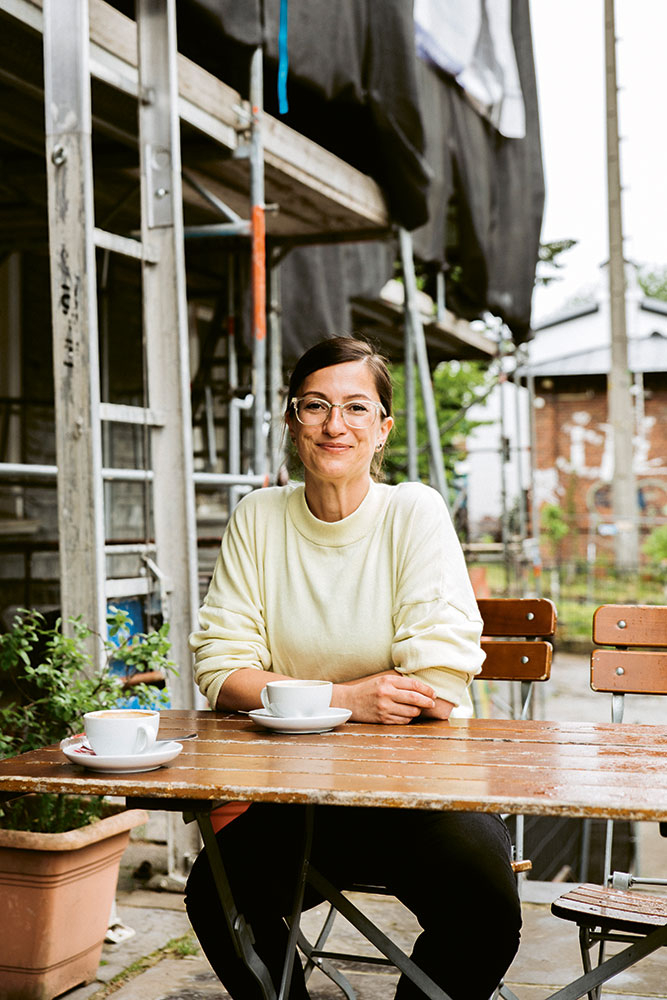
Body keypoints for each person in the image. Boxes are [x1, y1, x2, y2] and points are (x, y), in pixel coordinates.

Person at [185, 336, 522, 1000]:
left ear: (381, 429)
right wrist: (350, 696)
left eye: (355, 408)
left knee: (485, 907)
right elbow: (222, 671)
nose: (334, 425)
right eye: (314, 406)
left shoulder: (413, 513)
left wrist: (290, 698)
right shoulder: (257, 519)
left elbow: (434, 684)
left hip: (422, 795)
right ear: (290, 421)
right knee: (213, 896)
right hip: (302, 798)